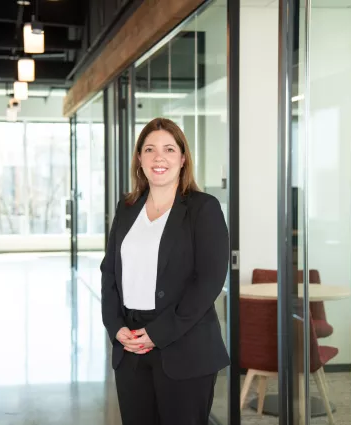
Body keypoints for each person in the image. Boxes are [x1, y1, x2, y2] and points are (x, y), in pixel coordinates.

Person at [101, 117, 230, 425]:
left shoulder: (203, 208)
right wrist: (114, 325)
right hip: (130, 345)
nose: (159, 157)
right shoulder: (127, 207)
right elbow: (109, 273)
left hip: (185, 346)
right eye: (149, 149)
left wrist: (158, 334)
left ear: (183, 158)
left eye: (169, 149)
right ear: (140, 159)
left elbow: (209, 281)